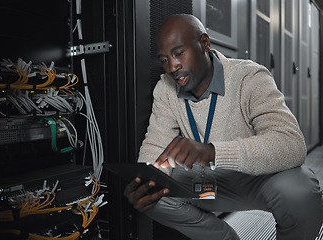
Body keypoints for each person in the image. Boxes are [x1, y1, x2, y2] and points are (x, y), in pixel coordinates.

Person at [123, 14, 322, 239]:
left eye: (179, 53)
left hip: (257, 181)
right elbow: (155, 143)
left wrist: (212, 152)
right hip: (209, 186)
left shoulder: (249, 76)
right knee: (154, 193)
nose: (172, 66)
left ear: (205, 43)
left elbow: (291, 144)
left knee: (300, 190)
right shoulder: (165, 89)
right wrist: (146, 180)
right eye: (164, 59)